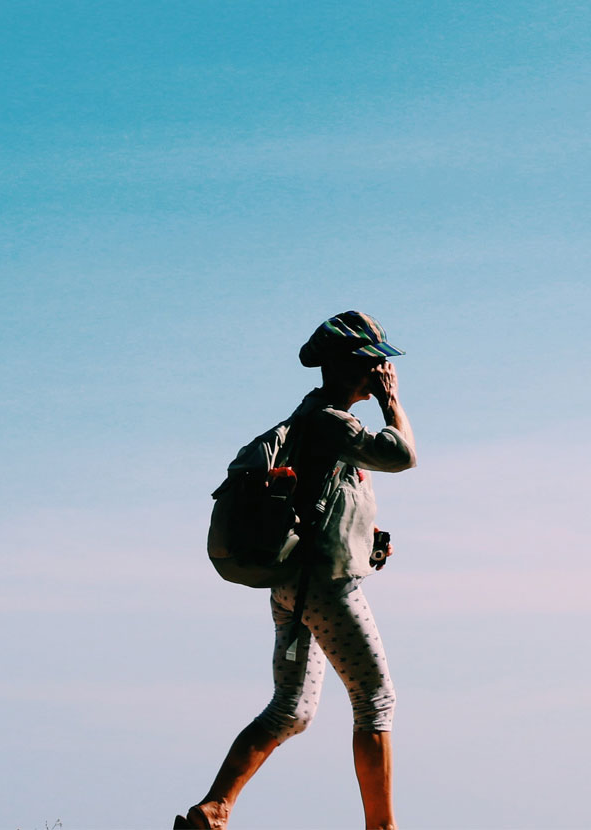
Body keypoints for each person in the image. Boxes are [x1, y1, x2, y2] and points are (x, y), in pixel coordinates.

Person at [175, 311, 418, 830]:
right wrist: (391, 402)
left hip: (294, 586)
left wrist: (368, 544)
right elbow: (400, 455)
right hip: (325, 587)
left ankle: (215, 809)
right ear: (353, 365)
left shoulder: (313, 421)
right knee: (376, 701)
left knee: (292, 708)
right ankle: (383, 827)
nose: (380, 370)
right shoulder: (332, 421)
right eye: (374, 361)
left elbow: (328, 503)